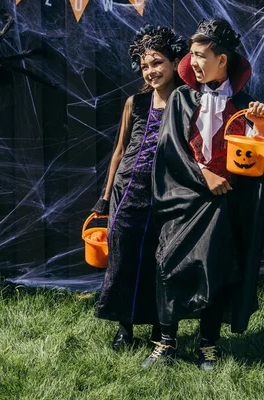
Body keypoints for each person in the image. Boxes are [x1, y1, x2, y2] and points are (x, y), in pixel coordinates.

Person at [144, 19, 264, 370]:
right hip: (183, 197)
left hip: (221, 205)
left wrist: (258, 127)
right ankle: (166, 341)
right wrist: (205, 174)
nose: (194, 63)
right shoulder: (182, 98)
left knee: (215, 269)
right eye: (192, 55)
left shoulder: (243, 105)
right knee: (168, 264)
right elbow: (170, 148)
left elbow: (252, 160)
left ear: (222, 60)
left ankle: (208, 345)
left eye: (201, 55)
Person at [92, 25, 188, 351]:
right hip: (127, 193)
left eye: (157, 62)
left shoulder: (187, 101)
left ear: (175, 62)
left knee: (159, 263)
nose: (151, 71)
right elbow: (119, 151)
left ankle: (162, 329)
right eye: (145, 66)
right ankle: (124, 327)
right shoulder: (135, 102)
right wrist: (106, 197)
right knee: (123, 260)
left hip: (165, 196)